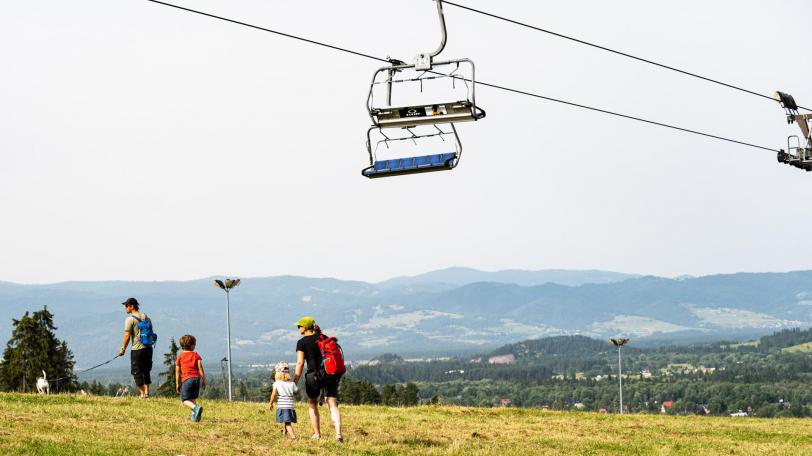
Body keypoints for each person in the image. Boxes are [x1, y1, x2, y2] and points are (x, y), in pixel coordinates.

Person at [293, 317, 343, 442]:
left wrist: (294, 382)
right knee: (332, 402)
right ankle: (338, 433)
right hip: (330, 373)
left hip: (313, 376)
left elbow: (300, 363)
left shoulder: (302, 342)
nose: (298, 328)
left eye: (299, 326)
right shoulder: (324, 337)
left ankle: (317, 433)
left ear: (305, 327)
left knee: (312, 403)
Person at [117, 298, 154, 398]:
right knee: (146, 370)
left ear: (132, 306)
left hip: (137, 349)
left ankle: (142, 393)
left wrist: (123, 349)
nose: (125, 308)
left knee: (136, 371)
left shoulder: (130, 319)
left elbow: (127, 336)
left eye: (126, 306)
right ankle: (147, 392)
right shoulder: (146, 317)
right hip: (148, 348)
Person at [175, 334, 206, 422]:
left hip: (187, 379)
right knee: (192, 399)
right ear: (192, 346)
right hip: (197, 379)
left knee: (184, 399)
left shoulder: (180, 357)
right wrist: (204, 380)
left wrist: (177, 384)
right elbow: (200, 368)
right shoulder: (196, 355)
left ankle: (196, 408)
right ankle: (194, 417)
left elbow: (177, 372)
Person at [269, 362, 297, 439]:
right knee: (287, 419)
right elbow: (296, 392)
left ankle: (293, 437)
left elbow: (273, 394)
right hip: (290, 406)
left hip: (282, 406)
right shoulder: (292, 384)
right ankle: (284, 432)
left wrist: (271, 403)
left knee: (287, 423)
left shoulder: (277, 383)